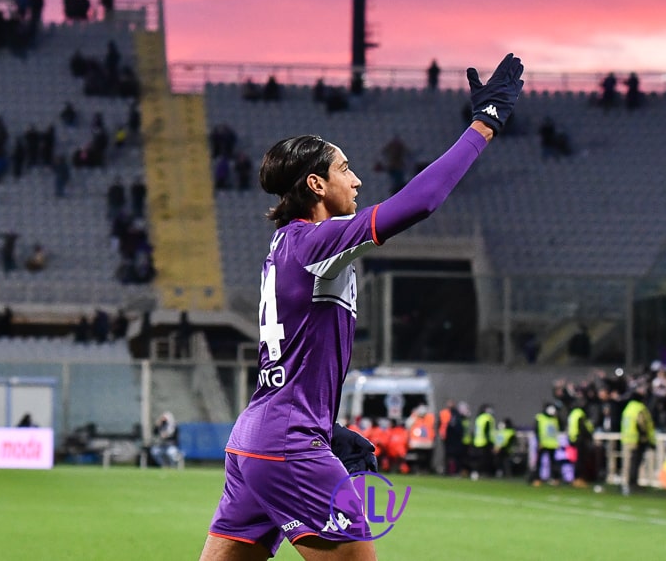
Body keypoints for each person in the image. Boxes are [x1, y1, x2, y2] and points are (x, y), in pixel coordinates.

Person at [200, 53, 524, 561]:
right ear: (315, 185)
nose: (356, 180)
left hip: (256, 439)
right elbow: (421, 201)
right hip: (289, 444)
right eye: (344, 169)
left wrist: (322, 424)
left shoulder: (285, 245)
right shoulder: (317, 240)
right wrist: (485, 124)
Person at [620, 387, 656, 495]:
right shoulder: (640, 409)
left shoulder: (627, 409)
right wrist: (648, 439)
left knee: (627, 463)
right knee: (634, 463)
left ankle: (625, 484)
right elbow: (643, 425)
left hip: (626, 439)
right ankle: (632, 484)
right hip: (636, 440)